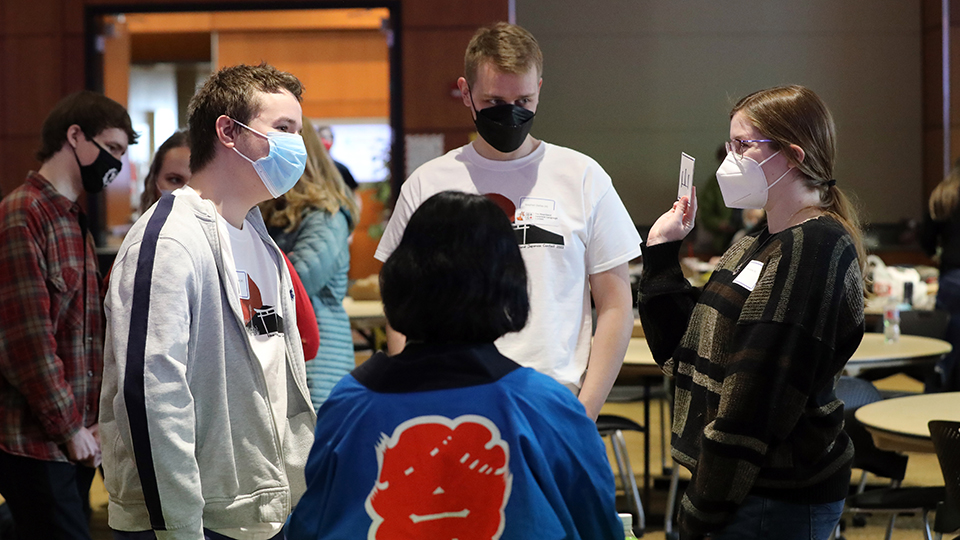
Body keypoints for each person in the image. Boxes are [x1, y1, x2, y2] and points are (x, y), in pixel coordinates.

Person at [287, 191, 624, 540]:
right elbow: (600, 527)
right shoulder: (546, 409)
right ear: (508, 283)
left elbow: (309, 528)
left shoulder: (349, 404)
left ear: (402, 278)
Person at [375, 22, 641, 420]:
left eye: (524, 100)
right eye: (494, 100)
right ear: (466, 93)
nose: (510, 114)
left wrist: (585, 411)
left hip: (554, 401)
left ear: (539, 91)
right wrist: (418, 397)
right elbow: (401, 303)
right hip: (451, 402)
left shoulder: (582, 176)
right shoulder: (428, 183)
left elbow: (616, 302)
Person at [637, 85, 865, 540]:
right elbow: (682, 352)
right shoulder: (758, 241)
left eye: (743, 146)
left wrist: (704, 507)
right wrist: (661, 252)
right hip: (743, 486)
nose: (729, 159)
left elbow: (756, 402)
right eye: (730, 145)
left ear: (793, 156)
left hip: (774, 492)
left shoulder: (813, 248)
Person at [100, 63, 317, 540]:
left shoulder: (263, 243)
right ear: (228, 131)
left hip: (261, 509)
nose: (296, 146)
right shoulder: (168, 240)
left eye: (298, 131)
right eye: (282, 129)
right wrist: (178, 526)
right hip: (191, 519)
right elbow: (152, 392)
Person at [0, 90, 137, 540]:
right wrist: (70, 426)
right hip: (38, 442)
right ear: (75, 136)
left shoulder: (71, 217)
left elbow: (85, 335)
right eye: (112, 148)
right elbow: (26, 342)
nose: (115, 163)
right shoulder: (23, 213)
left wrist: (92, 422)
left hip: (77, 440)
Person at [260, 116, 360, 409]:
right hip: (284, 357)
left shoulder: (326, 214)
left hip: (318, 364)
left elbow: (302, 278)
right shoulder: (270, 210)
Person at [919, 159, 960, 391]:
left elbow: (927, 240)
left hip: (953, 279)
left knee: (946, 350)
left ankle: (937, 401)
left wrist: (936, 252)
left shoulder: (944, 194)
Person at [138, 130, 190, 215]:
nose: (186, 191)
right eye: (175, 180)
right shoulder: (140, 228)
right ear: (154, 181)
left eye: (198, 183)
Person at [316, 125, 358, 192]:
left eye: (330, 137)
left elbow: (352, 191)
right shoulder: (312, 167)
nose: (327, 140)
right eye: (323, 137)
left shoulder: (341, 168)